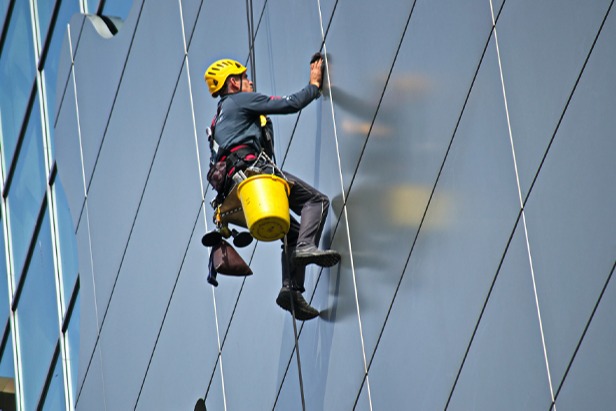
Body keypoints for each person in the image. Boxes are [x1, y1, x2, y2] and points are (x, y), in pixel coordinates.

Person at [204, 55, 340, 321]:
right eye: (244, 78)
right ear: (233, 83)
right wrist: (313, 86)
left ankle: (291, 291)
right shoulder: (239, 101)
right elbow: (290, 104)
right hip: (254, 177)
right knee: (317, 202)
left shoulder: (218, 120)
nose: (250, 81)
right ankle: (306, 248)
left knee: (292, 231)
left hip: (234, 197)